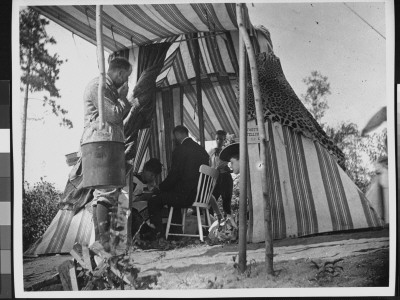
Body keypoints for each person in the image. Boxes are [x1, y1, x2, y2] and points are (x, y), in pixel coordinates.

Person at [81, 57, 133, 252]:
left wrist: (122, 99)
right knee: (106, 192)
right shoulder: (99, 86)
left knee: (106, 194)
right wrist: (123, 98)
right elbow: (114, 115)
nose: (126, 81)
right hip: (101, 143)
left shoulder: (109, 88)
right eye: (126, 76)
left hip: (106, 142)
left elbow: (117, 114)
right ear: (119, 73)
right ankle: (105, 247)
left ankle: (103, 245)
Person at [147, 125, 210, 237]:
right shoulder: (203, 151)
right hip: (201, 196)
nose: (173, 139)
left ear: (177, 135)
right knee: (172, 195)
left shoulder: (180, 150)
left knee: (154, 200)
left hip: (187, 197)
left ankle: (158, 235)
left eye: (174, 137)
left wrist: (160, 188)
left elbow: (174, 176)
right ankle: (175, 234)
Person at [208, 130, 234, 220]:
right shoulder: (211, 152)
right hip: (215, 179)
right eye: (217, 139)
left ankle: (228, 229)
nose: (219, 141)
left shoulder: (226, 151)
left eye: (221, 139)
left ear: (224, 140)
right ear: (215, 139)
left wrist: (229, 170)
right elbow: (209, 165)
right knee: (210, 202)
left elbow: (235, 164)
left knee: (226, 204)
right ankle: (210, 226)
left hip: (225, 178)